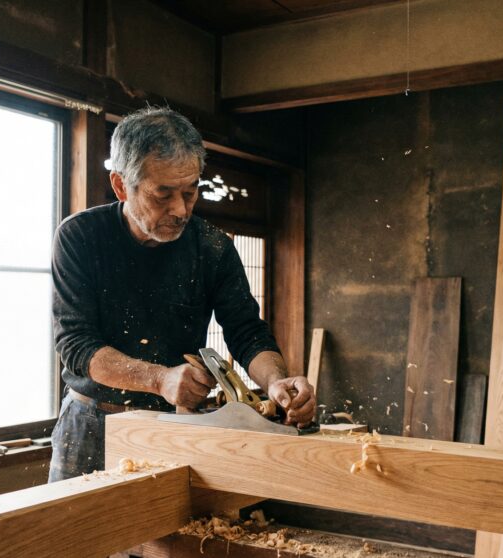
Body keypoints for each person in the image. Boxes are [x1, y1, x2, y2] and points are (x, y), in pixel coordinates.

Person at [48, 106, 316, 482]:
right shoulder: (80, 238)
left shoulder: (212, 247)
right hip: (92, 422)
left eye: (190, 193)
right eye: (163, 195)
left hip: (178, 425)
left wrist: (276, 383)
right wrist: (159, 379)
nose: (180, 209)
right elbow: (76, 345)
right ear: (122, 185)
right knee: (71, 536)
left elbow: (246, 331)